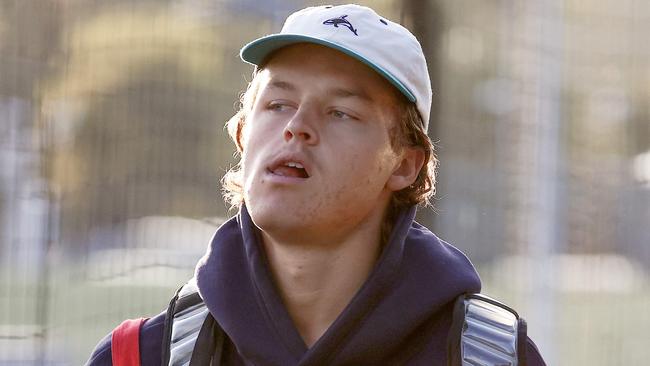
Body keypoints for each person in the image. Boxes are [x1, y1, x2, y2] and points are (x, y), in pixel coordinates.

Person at [86, 4, 546, 365]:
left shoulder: (492, 357)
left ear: (405, 165)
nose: (297, 127)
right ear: (244, 135)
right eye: (278, 104)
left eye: (340, 112)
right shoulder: (139, 357)